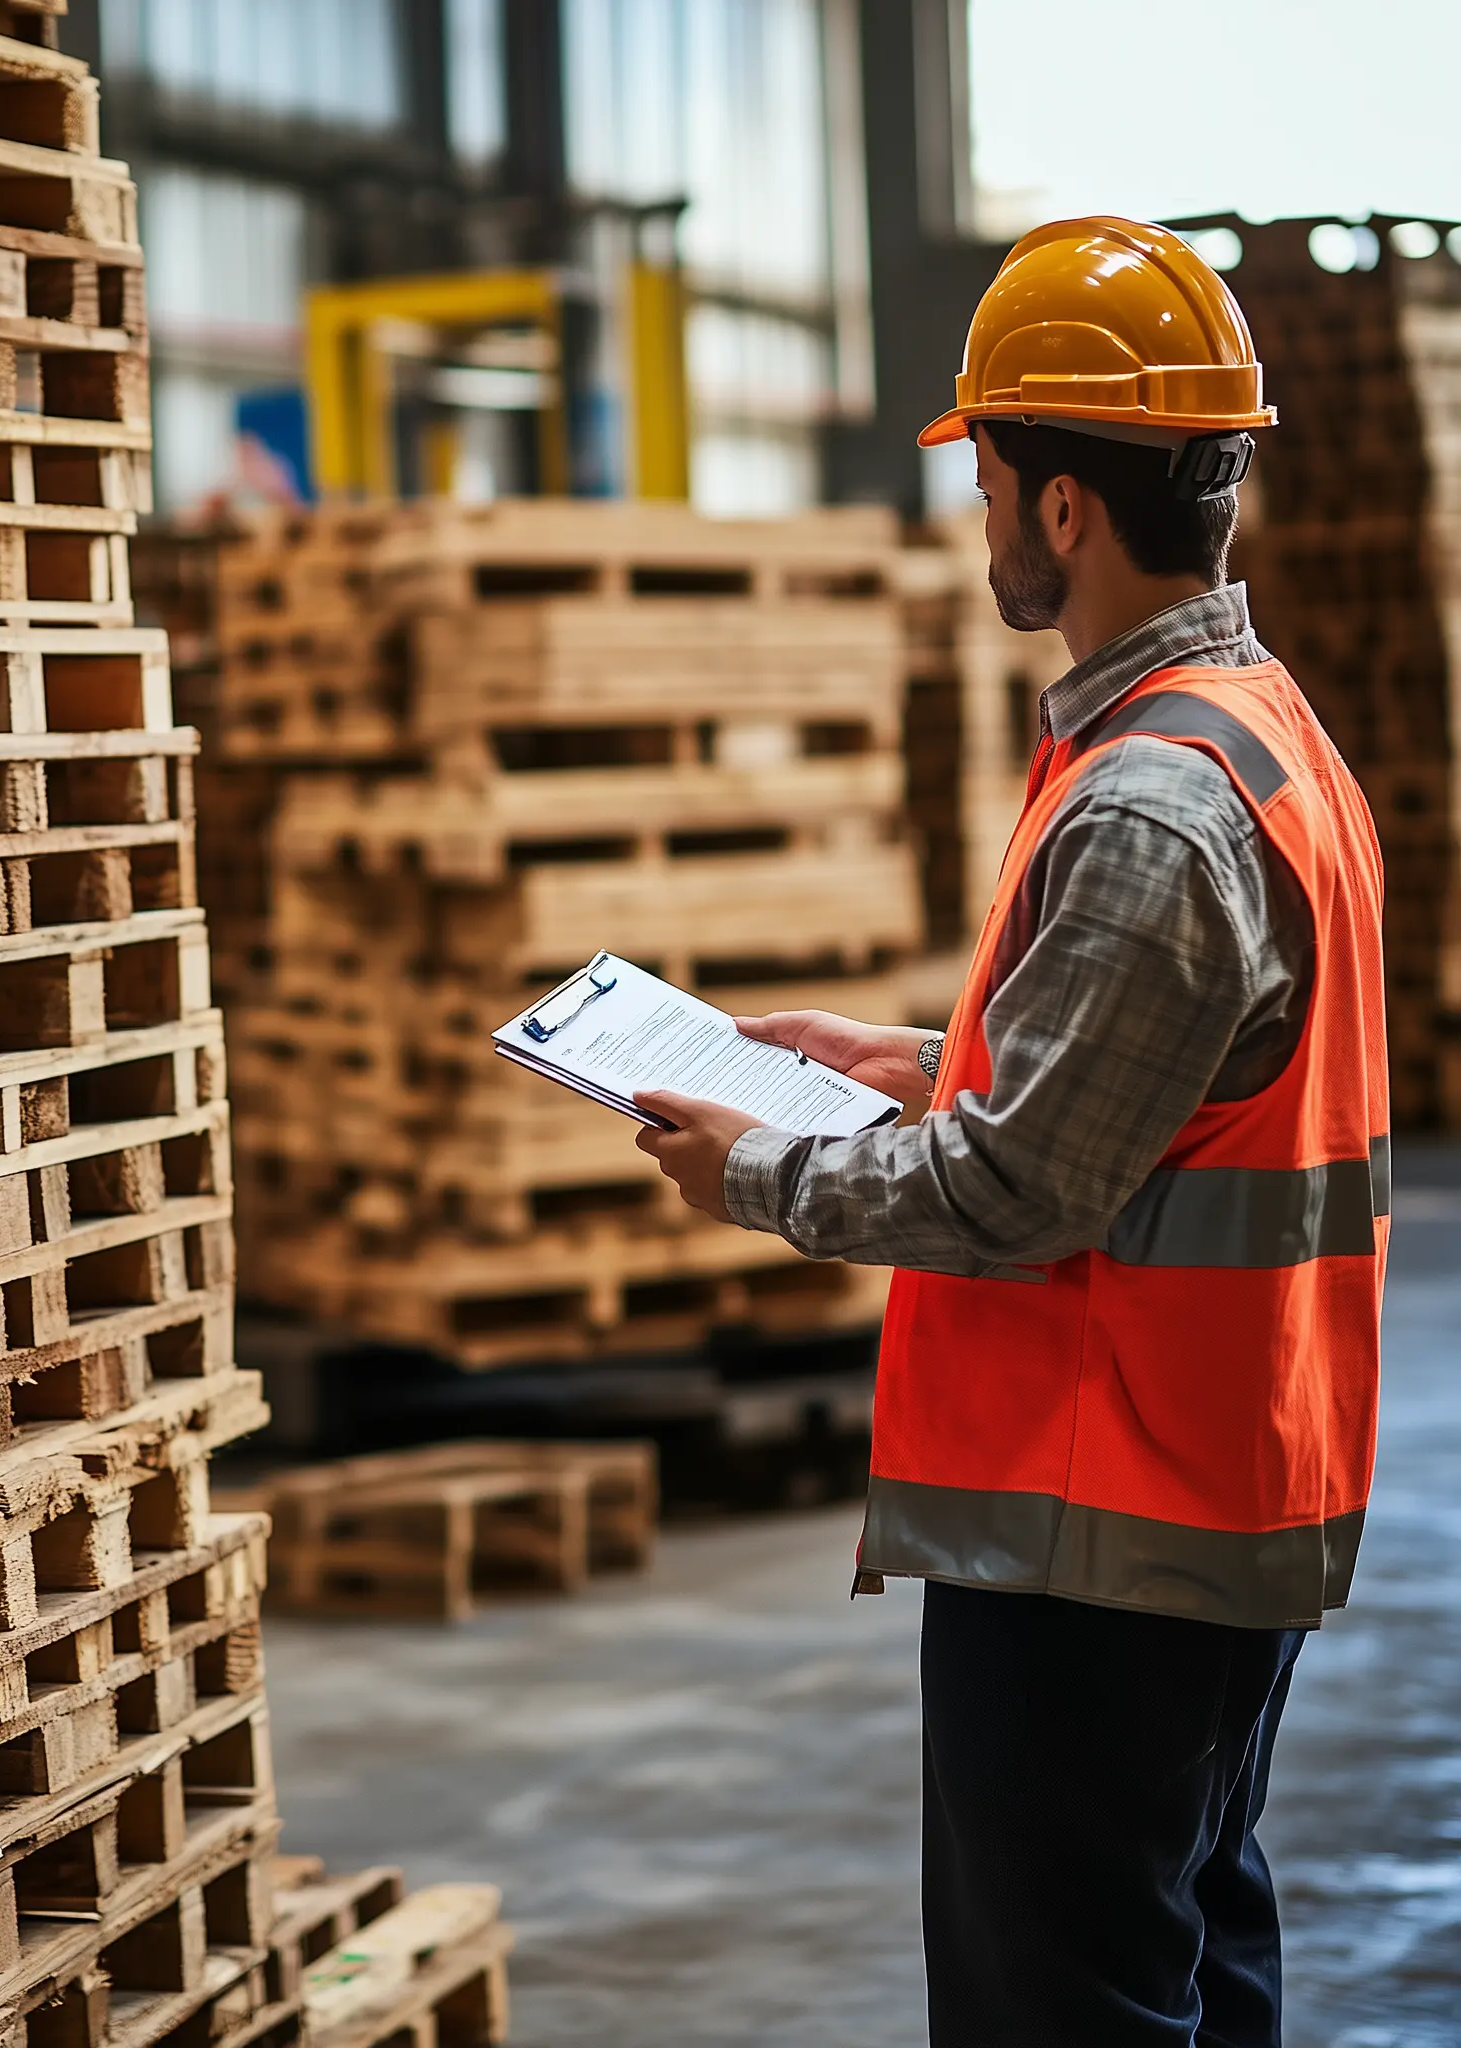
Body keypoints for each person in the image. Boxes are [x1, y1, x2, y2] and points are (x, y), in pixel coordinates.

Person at [631, 217, 1388, 2047]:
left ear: (1063, 507)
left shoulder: (1151, 800)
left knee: (1066, 2007)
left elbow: (1020, 1188)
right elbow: (1162, 1087)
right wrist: (906, 1055)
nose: (976, 516)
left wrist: (758, 1170)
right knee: (1191, 1963)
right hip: (1205, 1483)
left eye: (987, 474)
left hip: (1101, 1520)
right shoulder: (1256, 734)